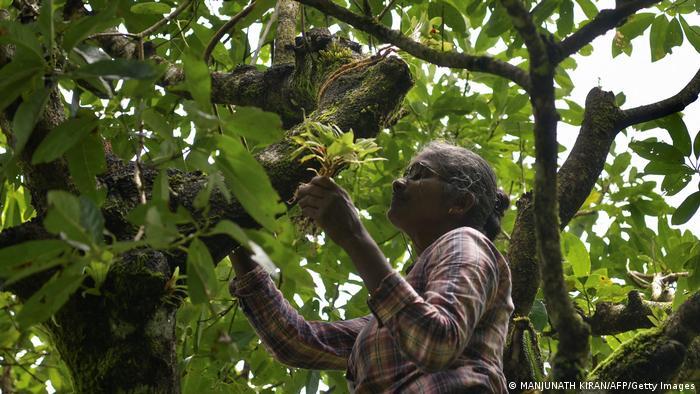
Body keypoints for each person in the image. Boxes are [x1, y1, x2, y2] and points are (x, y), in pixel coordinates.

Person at [229, 141, 514, 393]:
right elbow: (295, 341)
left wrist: (354, 236)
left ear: (460, 202)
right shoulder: (394, 315)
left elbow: (436, 342)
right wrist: (235, 235)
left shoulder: (466, 241)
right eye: (405, 174)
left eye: (419, 174)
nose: (399, 183)